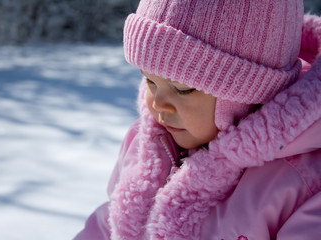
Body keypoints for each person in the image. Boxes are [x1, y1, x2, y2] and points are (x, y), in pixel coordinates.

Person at [74, 0, 321, 239]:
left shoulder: (301, 184)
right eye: (150, 81)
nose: (157, 104)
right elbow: (109, 225)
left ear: (248, 92)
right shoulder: (145, 145)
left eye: (181, 89)